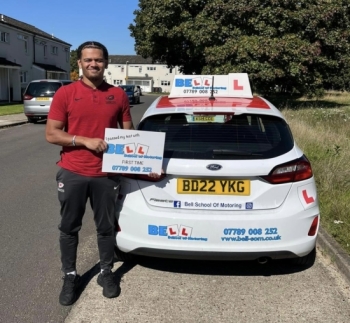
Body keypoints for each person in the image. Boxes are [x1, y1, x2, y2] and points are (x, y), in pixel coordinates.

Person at [46, 41, 151, 306]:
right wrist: (84, 140)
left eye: (99, 60)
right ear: (79, 63)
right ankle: (70, 275)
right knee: (69, 227)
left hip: (107, 175)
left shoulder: (118, 94)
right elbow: (52, 133)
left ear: (106, 63)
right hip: (73, 171)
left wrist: (147, 159)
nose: (94, 64)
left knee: (105, 227)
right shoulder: (65, 94)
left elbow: (130, 134)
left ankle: (106, 272)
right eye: (88, 60)